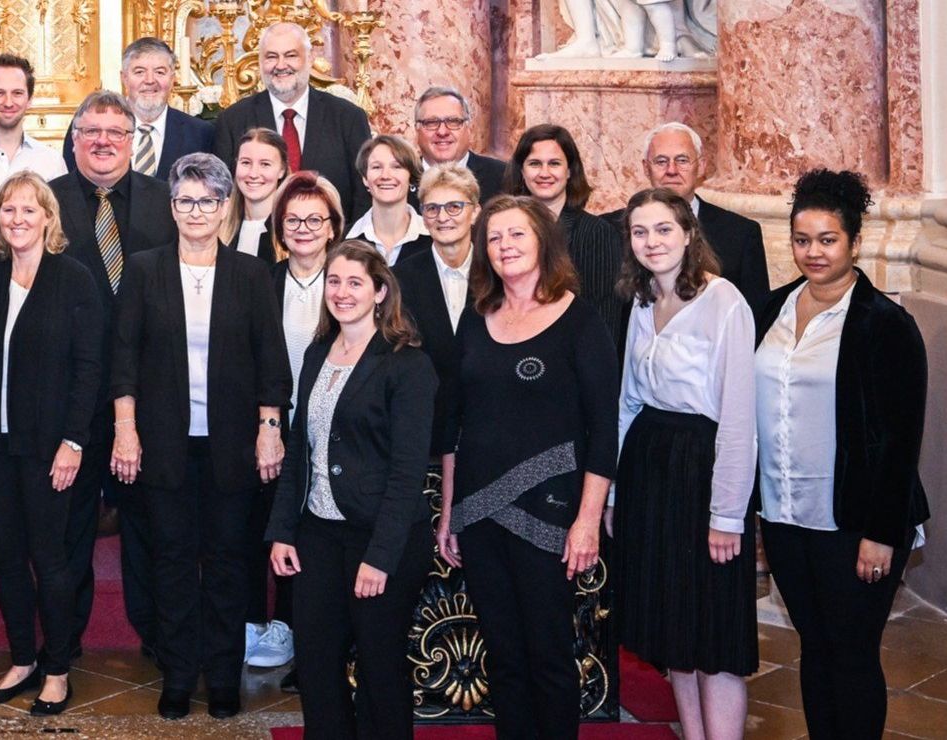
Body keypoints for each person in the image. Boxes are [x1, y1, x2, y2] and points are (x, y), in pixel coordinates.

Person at [110, 152, 289, 721]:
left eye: (207, 201)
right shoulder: (143, 269)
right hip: (163, 443)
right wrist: (125, 430)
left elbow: (272, 363)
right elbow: (124, 360)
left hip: (232, 445)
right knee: (172, 561)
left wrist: (268, 430)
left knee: (230, 562)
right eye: (185, 200)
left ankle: (223, 675)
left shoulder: (252, 274)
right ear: (172, 206)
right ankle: (179, 674)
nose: (195, 210)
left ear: (224, 207)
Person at [753, 169, 930, 739]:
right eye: (802, 240)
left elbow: (900, 442)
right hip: (784, 514)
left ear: (854, 242)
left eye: (827, 239)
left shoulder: (886, 325)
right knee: (814, 648)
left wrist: (880, 532)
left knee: (851, 654)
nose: (813, 252)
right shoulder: (770, 311)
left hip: (855, 522)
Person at [437, 195, 619, 740]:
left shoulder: (581, 320)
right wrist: (448, 514)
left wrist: (588, 520)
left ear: (543, 240)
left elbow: (603, 431)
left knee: (548, 658)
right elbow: (452, 427)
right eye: (494, 238)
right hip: (477, 514)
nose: (504, 247)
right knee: (504, 657)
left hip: (552, 515)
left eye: (516, 235)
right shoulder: (475, 319)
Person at [268, 240, 438, 740]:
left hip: (381, 540)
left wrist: (381, 557)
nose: (341, 292)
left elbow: (409, 472)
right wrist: (283, 530)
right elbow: (300, 445)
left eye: (355, 282)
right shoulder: (319, 351)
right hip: (319, 534)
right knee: (317, 667)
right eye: (334, 281)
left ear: (381, 292)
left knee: (380, 667)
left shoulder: (408, 364)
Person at [608, 187, 758, 740]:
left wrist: (727, 514)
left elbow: (740, 417)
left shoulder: (724, 302)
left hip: (702, 469)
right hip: (650, 468)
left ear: (689, 234)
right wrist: (618, 494)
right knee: (675, 632)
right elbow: (627, 399)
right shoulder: (643, 298)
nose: (652, 242)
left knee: (712, 636)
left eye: (664, 229)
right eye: (640, 232)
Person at [0, 171, 106, 715]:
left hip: (49, 447)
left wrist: (74, 442)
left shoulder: (75, 279)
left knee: (51, 558)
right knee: (9, 557)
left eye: (28, 210)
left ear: (48, 217)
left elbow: (90, 369)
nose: (18, 219)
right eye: (8, 211)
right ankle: (21, 659)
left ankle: (58, 667)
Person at [51, 89, 178, 660]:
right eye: (92, 131)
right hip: (69, 391)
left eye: (115, 132)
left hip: (149, 389)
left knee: (149, 519)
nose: (103, 141)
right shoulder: (47, 202)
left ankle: (155, 632)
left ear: (134, 141)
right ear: (74, 139)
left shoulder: (164, 201)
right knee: (71, 521)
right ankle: (67, 635)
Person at [251, 171, 348, 685]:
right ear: (279, 230)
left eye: (315, 219)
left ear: (333, 227)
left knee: (318, 535)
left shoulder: (348, 277)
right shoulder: (261, 280)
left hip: (335, 427)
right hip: (274, 424)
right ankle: (277, 628)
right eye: (293, 220)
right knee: (276, 527)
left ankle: (315, 644)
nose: (304, 228)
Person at [600, 122, 770, 307]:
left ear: (702, 166)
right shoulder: (607, 230)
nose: (671, 170)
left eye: (682, 160)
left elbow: (755, 315)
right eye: (661, 161)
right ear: (645, 167)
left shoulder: (741, 234)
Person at [214, 22, 374, 218]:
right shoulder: (232, 120)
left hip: (335, 244)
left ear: (310, 58)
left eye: (291, 55)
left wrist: (347, 247)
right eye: (271, 57)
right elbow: (223, 195)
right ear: (260, 62)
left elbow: (364, 196)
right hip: (255, 246)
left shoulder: (348, 118)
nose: (281, 65)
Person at [504, 123, 625, 340]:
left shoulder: (598, 234)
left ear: (569, 170)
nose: (544, 173)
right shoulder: (504, 234)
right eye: (534, 163)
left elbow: (604, 321)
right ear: (521, 171)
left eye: (554, 163)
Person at [395, 165, 480, 459]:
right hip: (423, 433)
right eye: (432, 209)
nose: (443, 217)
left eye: (454, 207)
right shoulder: (399, 279)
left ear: (475, 211)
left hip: (485, 431)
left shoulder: (498, 273)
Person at [62, 37, 215, 180]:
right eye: (139, 72)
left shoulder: (200, 133)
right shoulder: (86, 127)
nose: (149, 80)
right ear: (124, 78)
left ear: (173, 78)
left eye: (160, 72)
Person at [0, 53, 68, 230]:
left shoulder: (51, 161)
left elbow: (59, 225)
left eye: (17, 93)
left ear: (29, 99)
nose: (8, 102)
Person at [343, 135, 431, 266]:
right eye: (376, 167)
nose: (385, 176)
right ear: (365, 178)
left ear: (410, 176)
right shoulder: (343, 241)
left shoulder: (433, 237)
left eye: (396, 167)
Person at [411, 86, 506, 203]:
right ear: (417, 131)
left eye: (453, 121)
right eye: (431, 122)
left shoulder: (502, 177)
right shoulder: (401, 180)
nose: (442, 132)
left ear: (469, 129)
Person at [221, 127, 288, 263]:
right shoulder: (219, 228)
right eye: (246, 162)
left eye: (265, 164)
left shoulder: (293, 232)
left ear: (282, 170)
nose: (253, 174)